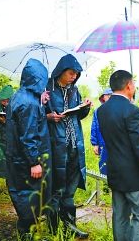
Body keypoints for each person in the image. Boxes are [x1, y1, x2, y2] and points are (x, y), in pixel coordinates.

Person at [97, 70, 139, 241]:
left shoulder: (102, 111)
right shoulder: (133, 111)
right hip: (135, 176)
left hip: (115, 171)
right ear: (129, 86)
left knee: (120, 216)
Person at [5, 59, 52, 239]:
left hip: (16, 157)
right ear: (37, 79)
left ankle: (26, 230)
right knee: (27, 196)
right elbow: (28, 134)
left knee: (22, 193)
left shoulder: (21, 96)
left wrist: (42, 101)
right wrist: (34, 162)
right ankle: (26, 233)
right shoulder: (29, 104)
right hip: (25, 160)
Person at [45, 54, 91, 238]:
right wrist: (48, 117)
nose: (74, 76)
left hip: (74, 145)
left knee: (70, 190)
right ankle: (53, 229)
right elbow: (36, 116)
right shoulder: (47, 90)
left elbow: (77, 115)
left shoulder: (74, 90)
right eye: (71, 73)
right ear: (61, 71)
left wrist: (85, 107)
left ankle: (70, 227)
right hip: (56, 146)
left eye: (76, 74)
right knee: (56, 189)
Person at [0, 84, 14, 191]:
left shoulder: (15, 105)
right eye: (3, 101)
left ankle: (10, 184)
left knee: (7, 160)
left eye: (7, 101)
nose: (5, 103)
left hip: (8, 136)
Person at [90, 88, 113, 175]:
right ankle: (105, 185)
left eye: (111, 95)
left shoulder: (117, 110)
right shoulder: (98, 111)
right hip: (102, 143)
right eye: (107, 96)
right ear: (103, 97)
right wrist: (95, 144)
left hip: (115, 144)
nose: (109, 97)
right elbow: (94, 127)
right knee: (103, 165)